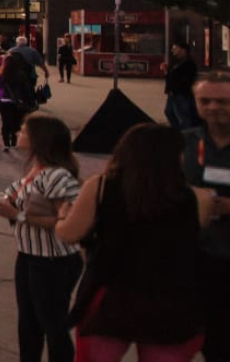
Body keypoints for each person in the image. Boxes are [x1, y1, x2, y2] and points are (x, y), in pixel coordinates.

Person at [55, 123, 214, 362]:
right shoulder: (198, 198)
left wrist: (61, 216)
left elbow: (69, 234)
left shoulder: (101, 187)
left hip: (111, 294)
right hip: (170, 298)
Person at [0, 113, 82, 362]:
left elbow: (67, 222)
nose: (19, 132)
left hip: (53, 260)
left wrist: (17, 215)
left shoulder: (58, 176)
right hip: (29, 255)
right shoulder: (34, 172)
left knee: (53, 324)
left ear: (40, 139)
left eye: (25, 130)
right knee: (28, 323)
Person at [184, 71, 230, 362]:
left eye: (222, 101)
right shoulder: (184, 144)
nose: (213, 107)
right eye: (205, 101)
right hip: (199, 261)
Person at [0, 54, 40, 152]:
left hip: (4, 101)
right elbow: (26, 89)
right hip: (17, 102)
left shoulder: (0, 75)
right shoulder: (21, 75)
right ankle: (14, 141)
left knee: (5, 122)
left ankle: (6, 144)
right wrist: (30, 100)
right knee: (16, 122)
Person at [165, 42, 201, 130]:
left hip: (181, 94)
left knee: (183, 116)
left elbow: (187, 79)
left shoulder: (189, 63)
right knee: (169, 112)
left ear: (183, 50)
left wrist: (176, 88)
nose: (172, 50)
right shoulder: (177, 61)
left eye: (175, 48)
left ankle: (186, 133)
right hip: (173, 93)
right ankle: (178, 131)